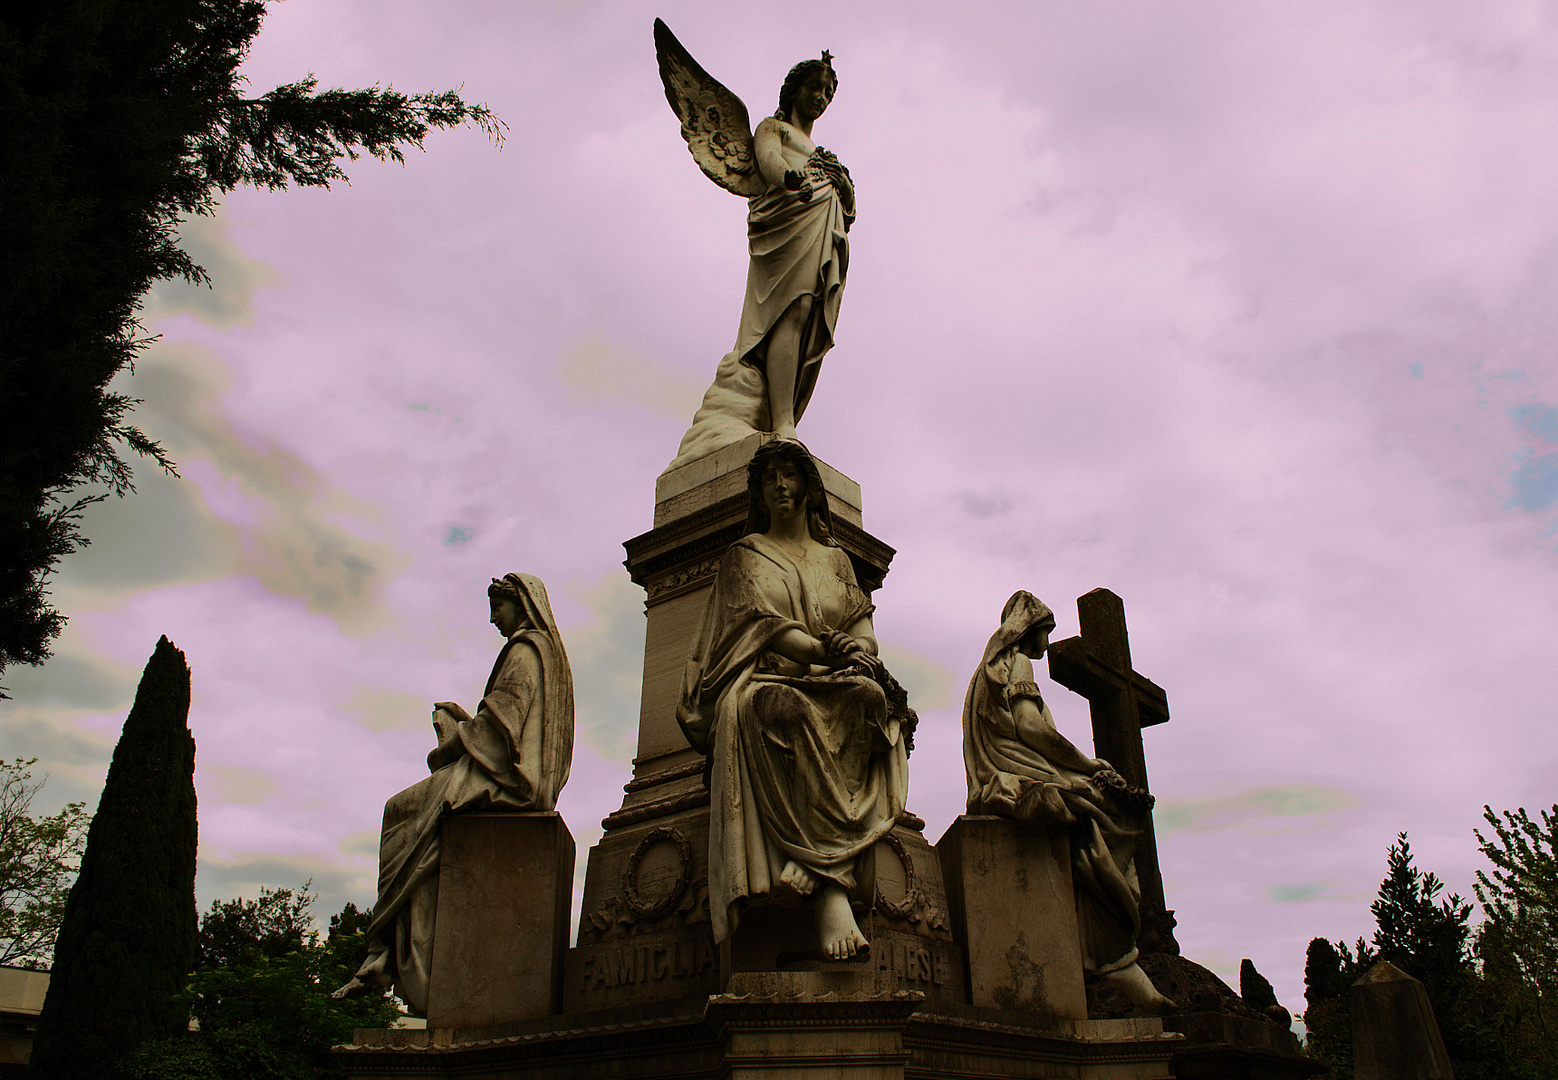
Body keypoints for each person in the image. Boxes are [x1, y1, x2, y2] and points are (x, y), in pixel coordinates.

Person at [677, 439, 908, 959]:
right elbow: (766, 628)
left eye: (789, 475)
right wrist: (825, 649)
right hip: (773, 678)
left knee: (871, 701)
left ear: (808, 486)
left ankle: (810, 857)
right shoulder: (746, 556)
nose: (780, 486)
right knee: (785, 709)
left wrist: (856, 647)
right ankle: (832, 887)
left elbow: (862, 628)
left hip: (834, 674)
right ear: (759, 493)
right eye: (769, 479)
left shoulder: (838, 561)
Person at [333, 573, 574, 1014]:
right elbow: (503, 723)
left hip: (508, 779)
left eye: (497, 609)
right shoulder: (542, 652)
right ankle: (393, 952)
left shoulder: (525, 650)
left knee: (400, 812)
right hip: (506, 769)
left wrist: (449, 740)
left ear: (519, 603)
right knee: (422, 833)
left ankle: (388, 953)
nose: (493, 619)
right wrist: (464, 724)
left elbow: (502, 726)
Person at [963, 590, 1174, 1014]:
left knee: (1096, 818)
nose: (1047, 642)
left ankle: (1113, 955)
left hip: (1006, 772)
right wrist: (1087, 763)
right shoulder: (1017, 663)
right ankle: (1115, 953)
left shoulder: (987, 670)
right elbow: (1031, 730)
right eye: (1046, 632)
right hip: (1023, 774)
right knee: (1111, 820)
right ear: (1030, 630)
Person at [667, 56, 856, 468]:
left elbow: (850, 207)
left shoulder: (823, 151)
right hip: (786, 227)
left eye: (829, 93)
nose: (822, 98)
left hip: (820, 230)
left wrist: (843, 187)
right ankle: (782, 421)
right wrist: (790, 178)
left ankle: (782, 416)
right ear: (794, 90)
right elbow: (768, 159)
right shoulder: (774, 128)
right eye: (815, 88)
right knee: (790, 309)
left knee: (806, 317)